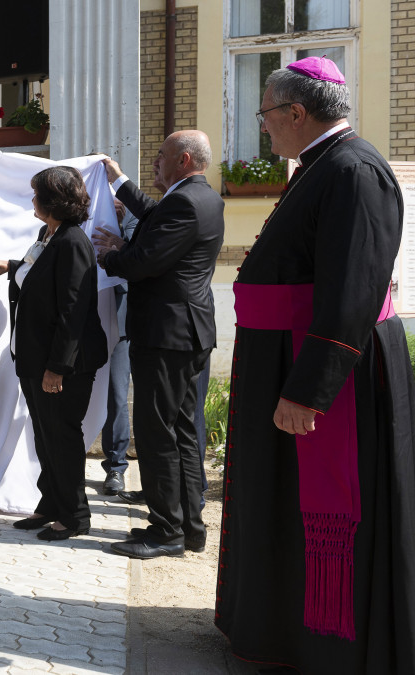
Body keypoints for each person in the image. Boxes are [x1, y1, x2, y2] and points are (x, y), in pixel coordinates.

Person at [216, 57, 415, 673]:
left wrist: (308, 391)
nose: (264, 129)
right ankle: (278, 630)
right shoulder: (320, 168)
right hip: (284, 360)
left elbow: (352, 292)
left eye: (267, 115)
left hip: (328, 379)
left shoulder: (354, 171)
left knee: (323, 514)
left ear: (296, 112)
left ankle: (328, 646)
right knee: (276, 506)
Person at [92, 130, 224, 559]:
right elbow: (153, 215)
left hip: (167, 334)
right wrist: (119, 180)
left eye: (162, 155)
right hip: (186, 333)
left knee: (156, 431)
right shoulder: (200, 197)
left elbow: (144, 262)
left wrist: (111, 254)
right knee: (182, 430)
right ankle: (189, 526)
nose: (155, 162)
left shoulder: (184, 202)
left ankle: (165, 530)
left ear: (183, 160)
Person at [0, 166, 108, 541]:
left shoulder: (73, 242)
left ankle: (75, 516)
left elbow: (73, 309)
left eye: (37, 194)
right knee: (45, 436)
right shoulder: (47, 234)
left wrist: (57, 368)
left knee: (62, 437)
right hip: (35, 357)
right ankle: (51, 504)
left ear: (52, 202)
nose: (32, 200)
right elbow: (40, 274)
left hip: (61, 364)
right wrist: (11, 266)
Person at [99, 197, 135, 496]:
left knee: (115, 395)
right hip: (83, 320)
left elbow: (140, 259)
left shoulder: (135, 223)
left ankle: (116, 467)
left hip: (120, 324)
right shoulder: (84, 221)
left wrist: (121, 227)